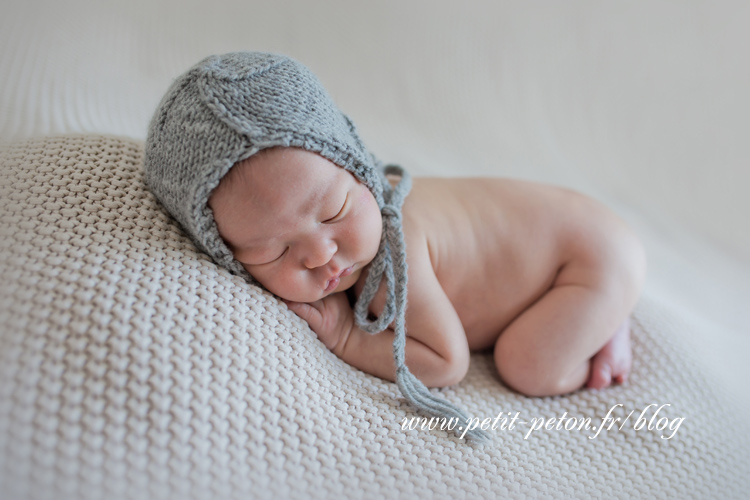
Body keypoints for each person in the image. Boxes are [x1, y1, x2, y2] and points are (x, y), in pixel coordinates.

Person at [144, 52, 646, 443]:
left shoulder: (392, 254)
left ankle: (609, 317)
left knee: (529, 365)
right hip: (570, 227)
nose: (319, 254)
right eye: (273, 251)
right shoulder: (339, 215)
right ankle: (603, 302)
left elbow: (446, 362)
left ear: (360, 168)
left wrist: (346, 337)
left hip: (588, 253)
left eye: (335, 210)